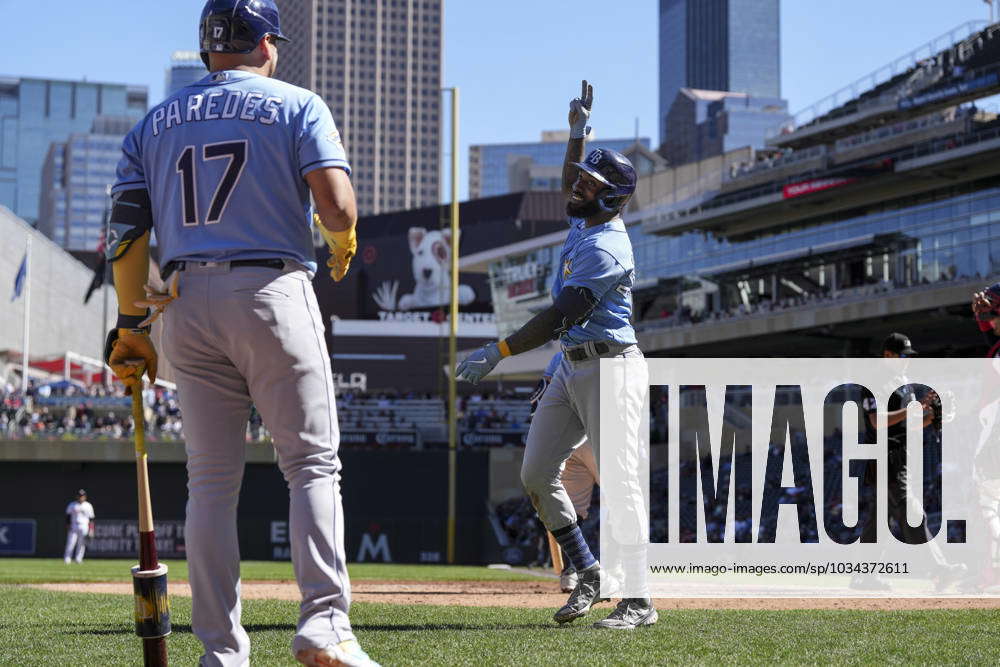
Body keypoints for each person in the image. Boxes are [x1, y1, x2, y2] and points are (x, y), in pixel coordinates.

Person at [104, 1, 374, 665]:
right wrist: (343, 239)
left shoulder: (151, 124)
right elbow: (335, 204)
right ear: (265, 43)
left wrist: (130, 323)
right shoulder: (296, 103)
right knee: (311, 462)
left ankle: (221, 651)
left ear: (207, 48)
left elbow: (125, 232)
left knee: (211, 483)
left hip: (185, 302)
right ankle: (323, 625)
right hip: (270, 288)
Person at [457, 80, 655, 629]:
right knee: (537, 471)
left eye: (591, 185)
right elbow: (572, 181)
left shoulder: (607, 244)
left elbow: (561, 314)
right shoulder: (584, 216)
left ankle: (639, 600)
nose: (578, 188)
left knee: (622, 482)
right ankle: (588, 571)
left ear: (610, 199)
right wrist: (576, 135)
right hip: (573, 363)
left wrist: (498, 350)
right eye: (584, 180)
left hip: (611, 366)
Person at [852, 333, 964, 590]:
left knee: (879, 522)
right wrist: (910, 411)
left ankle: (864, 576)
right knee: (912, 512)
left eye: (909, 357)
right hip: (884, 456)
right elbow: (876, 421)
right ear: (888, 355)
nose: (907, 361)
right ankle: (938, 570)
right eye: (903, 356)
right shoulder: (874, 380)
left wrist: (932, 417)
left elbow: (911, 423)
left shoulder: (903, 382)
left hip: (902, 456)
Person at [530, 351, 599, 593]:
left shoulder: (559, 357)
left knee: (571, 510)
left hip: (566, 440)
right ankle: (616, 569)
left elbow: (538, 400)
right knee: (620, 501)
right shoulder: (614, 350)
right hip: (598, 437)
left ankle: (573, 571)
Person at [64, 489, 95, 564]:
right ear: (77, 496)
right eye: (80, 496)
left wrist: (91, 529)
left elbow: (91, 519)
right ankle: (67, 558)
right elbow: (68, 517)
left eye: (82, 496)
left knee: (81, 544)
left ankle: (78, 559)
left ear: (85, 497)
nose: (81, 497)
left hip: (84, 526)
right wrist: (68, 526)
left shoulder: (88, 505)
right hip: (74, 525)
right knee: (71, 542)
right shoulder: (72, 505)